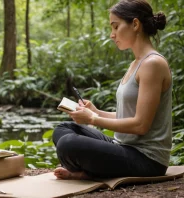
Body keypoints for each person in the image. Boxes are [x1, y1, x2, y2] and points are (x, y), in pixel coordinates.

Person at [53, 0, 172, 180]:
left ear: (135, 24)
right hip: (123, 146)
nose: (112, 34)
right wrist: (96, 112)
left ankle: (86, 171)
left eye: (115, 27)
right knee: (63, 129)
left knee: (68, 144)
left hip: (147, 159)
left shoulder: (152, 64)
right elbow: (129, 115)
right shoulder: (136, 63)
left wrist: (94, 119)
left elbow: (141, 125)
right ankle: (88, 167)